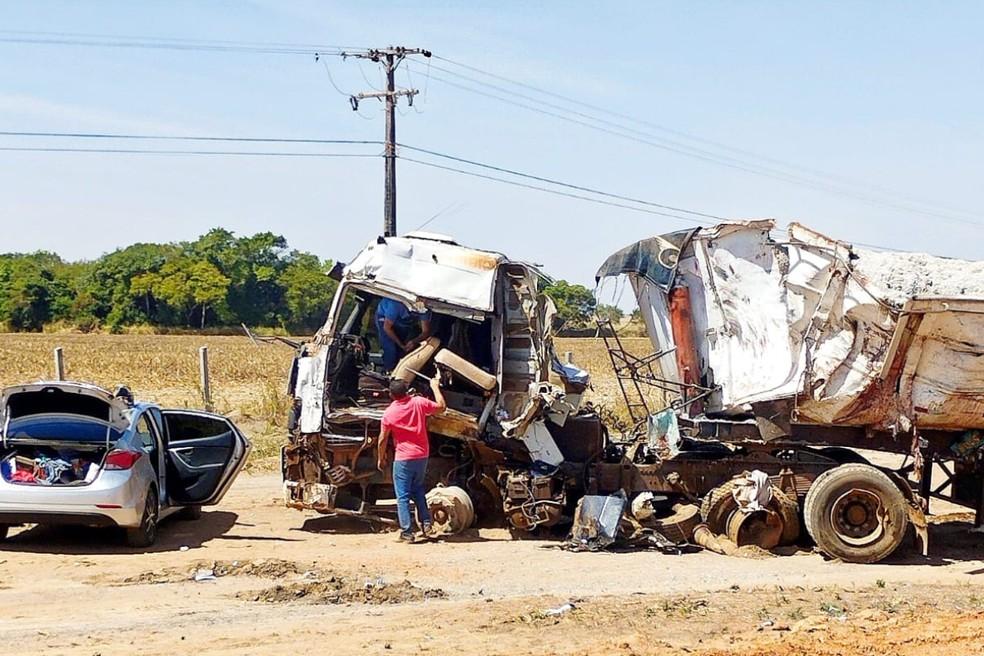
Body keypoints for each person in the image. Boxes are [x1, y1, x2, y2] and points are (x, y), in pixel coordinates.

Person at [377, 375, 446, 542]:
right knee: (418, 490)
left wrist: (381, 458)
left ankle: (407, 532)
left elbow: (382, 439)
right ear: (407, 392)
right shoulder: (418, 402)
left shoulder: (389, 413)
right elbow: (441, 407)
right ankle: (427, 525)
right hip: (422, 455)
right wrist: (435, 386)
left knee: (402, 496)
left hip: (403, 458)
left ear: (391, 395)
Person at [375, 297, 432, 371]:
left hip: (404, 323)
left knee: (402, 351)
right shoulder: (396, 304)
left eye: (425, 300)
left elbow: (426, 332)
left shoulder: (424, 309)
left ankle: (399, 372)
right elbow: (387, 328)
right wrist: (400, 344)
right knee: (391, 348)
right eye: (421, 300)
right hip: (384, 319)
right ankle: (388, 371)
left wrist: (414, 341)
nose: (424, 302)